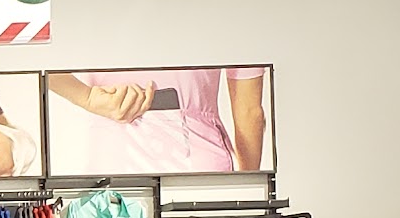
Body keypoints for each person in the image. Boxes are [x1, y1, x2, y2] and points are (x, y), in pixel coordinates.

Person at [48, 68, 268, 174]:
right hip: (198, 163)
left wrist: (86, 97)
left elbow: (34, 48)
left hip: (112, 158)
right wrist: (249, 190)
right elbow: (250, 113)